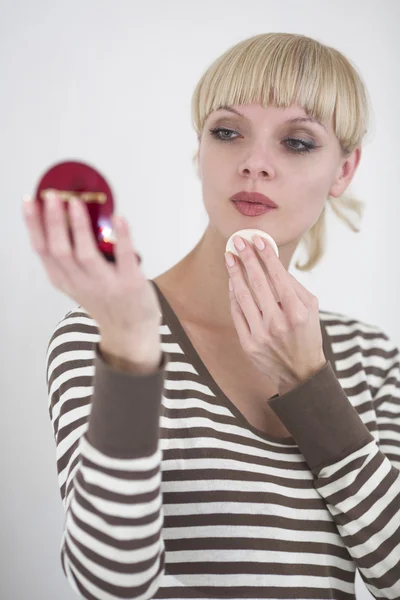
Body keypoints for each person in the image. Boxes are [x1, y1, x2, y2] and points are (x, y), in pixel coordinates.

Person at [23, 32, 400, 600]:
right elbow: (110, 583)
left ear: (343, 171)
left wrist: (309, 384)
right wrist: (129, 349)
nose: (254, 164)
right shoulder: (102, 335)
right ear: (201, 148)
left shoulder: (371, 356)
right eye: (227, 132)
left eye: (297, 142)